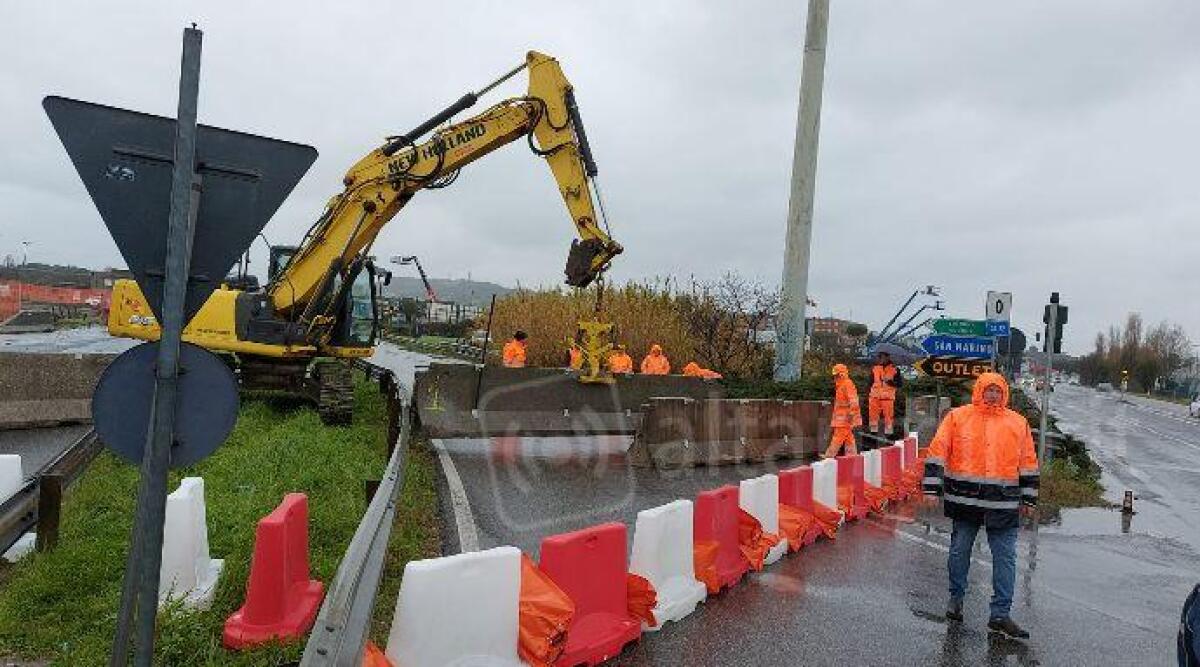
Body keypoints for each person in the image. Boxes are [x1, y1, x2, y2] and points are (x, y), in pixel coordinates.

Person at [923, 372, 1038, 640]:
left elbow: (1028, 462)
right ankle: (956, 599)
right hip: (965, 501)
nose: (993, 395)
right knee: (959, 551)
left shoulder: (1017, 423)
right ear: (979, 390)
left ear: (1004, 394)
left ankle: (1000, 615)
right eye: (989, 390)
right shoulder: (958, 417)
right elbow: (938, 451)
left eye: (998, 391)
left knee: (1006, 558)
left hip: (1003, 503)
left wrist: (1029, 497)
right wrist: (931, 488)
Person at [824, 363, 862, 458]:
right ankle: (852, 457)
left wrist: (851, 414)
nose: (835, 377)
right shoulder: (842, 385)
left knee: (838, 438)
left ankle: (829, 456)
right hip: (844, 417)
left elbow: (853, 400)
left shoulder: (847, 384)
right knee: (849, 438)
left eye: (836, 375)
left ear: (841, 374)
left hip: (845, 418)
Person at [868, 351, 903, 437]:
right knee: (873, 416)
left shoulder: (895, 369)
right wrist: (869, 393)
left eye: (882, 357)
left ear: (887, 357)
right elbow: (870, 382)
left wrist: (890, 382)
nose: (880, 359)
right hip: (874, 397)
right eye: (879, 357)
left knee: (888, 417)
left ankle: (889, 433)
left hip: (887, 398)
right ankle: (873, 433)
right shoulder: (875, 368)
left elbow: (899, 384)